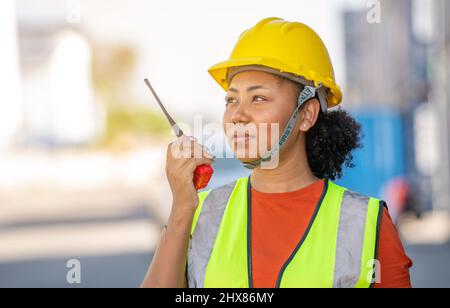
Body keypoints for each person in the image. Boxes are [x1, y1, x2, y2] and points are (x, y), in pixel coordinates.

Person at [141, 17, 413, 288]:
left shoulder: (367, 223)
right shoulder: (200, 214)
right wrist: (180, 211)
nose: (237, 115)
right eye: (231, 99)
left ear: (306, 114)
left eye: (258, 98)